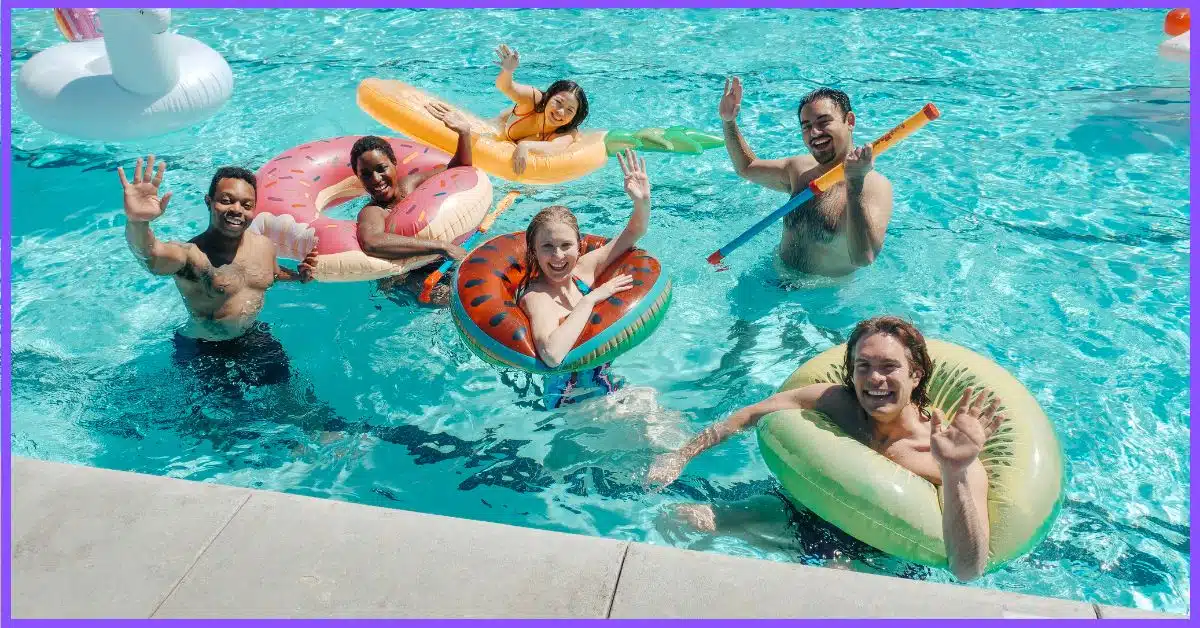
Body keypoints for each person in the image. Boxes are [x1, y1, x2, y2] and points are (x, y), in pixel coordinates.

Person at [645, 316, 1005, 582]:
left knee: (826, 588)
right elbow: (751, 414)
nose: (875, 379)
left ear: (916, 374)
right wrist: (681, 455)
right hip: (798, 514)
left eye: (889, 367)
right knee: (677, 517)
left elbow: (968, 570)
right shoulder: (836, 404)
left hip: (876, 555)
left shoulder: (944, 452)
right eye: (863, 366)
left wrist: (955, 469)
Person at [119, 155, 316, 390]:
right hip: (203, 349)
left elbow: (270, 274)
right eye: (226, 200)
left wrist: (297, 277)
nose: (237, 210)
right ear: (209, 202)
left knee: (292, 396)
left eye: (246, 205)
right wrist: (138, 222)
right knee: (223, 422)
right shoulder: (191, 256)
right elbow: (150, 256)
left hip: (251, 336)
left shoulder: (264, 246)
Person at [719, 77, 894, 277]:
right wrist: (728, 121)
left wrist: (854, 184)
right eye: (806, 126)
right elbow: (747, 168)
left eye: (824, 122)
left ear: (850, 121)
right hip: (773, 280)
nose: (815, 133)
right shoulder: (800, 169)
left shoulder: (874, 186)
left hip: (820, 299)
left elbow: (864, 258)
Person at [517, 148, 649, 409]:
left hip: (603, 384)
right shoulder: (538, 298)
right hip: (569, 402)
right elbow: (553, 355)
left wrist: (641, 201)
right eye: (547, 247)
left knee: (651, 404)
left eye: (566, 245)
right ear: (533, 250)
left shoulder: (584, 270)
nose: (557, 256)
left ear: (580, 246)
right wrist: (591, 299)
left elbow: (634, 231)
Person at [352, 103, 474, 306]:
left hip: (440, 259)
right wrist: (443, 247)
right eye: (365, 174)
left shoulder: (410, 185)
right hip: (407, 277)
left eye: (381, 168)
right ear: (358, 177)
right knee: (458, 301)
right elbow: (371, 242)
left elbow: (458, 168)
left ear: (394, 163)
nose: (375, 179)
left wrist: (464, 133)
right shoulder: (372, 212)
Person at [493, 43, 590, 176]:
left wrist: (525, 146)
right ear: (548, 97)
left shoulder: (568, 131)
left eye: (570, 110)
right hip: (498, 128)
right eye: (558, 102)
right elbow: (506, 87)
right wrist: (507, 71)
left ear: (574, 117)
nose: (561, 112)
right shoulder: (533, 99)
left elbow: (557, 148)